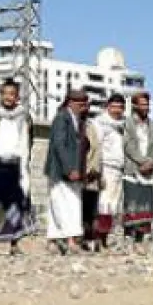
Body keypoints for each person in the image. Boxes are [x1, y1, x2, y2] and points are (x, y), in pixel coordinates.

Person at [0, 80, 35, 253]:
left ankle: (14, 242)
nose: (8, 97)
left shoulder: (24, 116)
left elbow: (28, 141)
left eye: (12, 94)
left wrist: (24, 164)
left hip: (15, 164)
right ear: (0, 94)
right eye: (5, 93)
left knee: (14, 204)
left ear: (17, 96)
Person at [45, 88, 89, 255]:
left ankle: (53, 242)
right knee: (64, 205)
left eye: (85, 104)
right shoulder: (62, 118)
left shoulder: (78, 120)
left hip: (75, 171)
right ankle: (71, 241)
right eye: (80, 104)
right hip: (61, 170)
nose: (83, 107)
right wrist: (69, 168)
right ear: (70, 102)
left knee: (65, 204)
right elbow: (59, 145)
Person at [122, 92, 153, 247]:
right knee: (132, 200)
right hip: (133, 167)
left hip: (148, 170)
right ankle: (128, 234)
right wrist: (142, 161)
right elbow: (128, 145)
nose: (145, 107)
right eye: (142, 104)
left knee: (146, 201)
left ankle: (142, 235)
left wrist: (151, 162)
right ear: (135, 105)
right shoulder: (128, 123)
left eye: (147, 104)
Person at [88, 93, 126, 251]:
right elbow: (97, 147)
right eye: (114, 106)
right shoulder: (99, 123)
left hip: (119, 169)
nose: (117, 110)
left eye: (120, 107)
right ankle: (96, 238)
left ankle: (104, 238)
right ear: (108, 106)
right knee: (102, 205)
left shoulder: (123, 125)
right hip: (105, 168)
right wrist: (99, 171)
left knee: (113, 206)